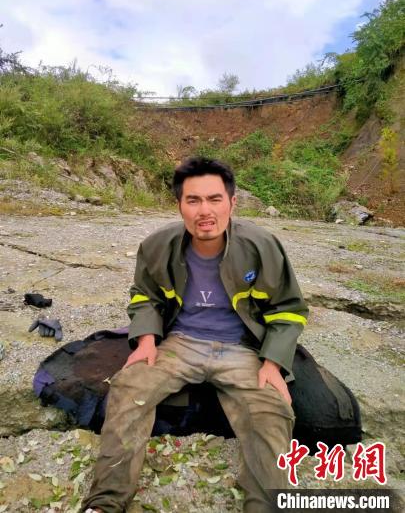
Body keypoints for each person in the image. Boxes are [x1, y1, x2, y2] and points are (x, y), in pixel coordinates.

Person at [82, 157, 308, 513]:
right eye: (193, 200)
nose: (205, 211)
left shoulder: (262, 246)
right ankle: (104, 502)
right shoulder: (158, 246)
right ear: (179, 205)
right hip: (181, 343)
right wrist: (146, 341)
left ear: (232, 202)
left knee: (271, 410)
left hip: (241, 348)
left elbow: (289, 309)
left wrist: (272, 363)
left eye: (215, 199)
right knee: (128, 388)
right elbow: (145, 296)